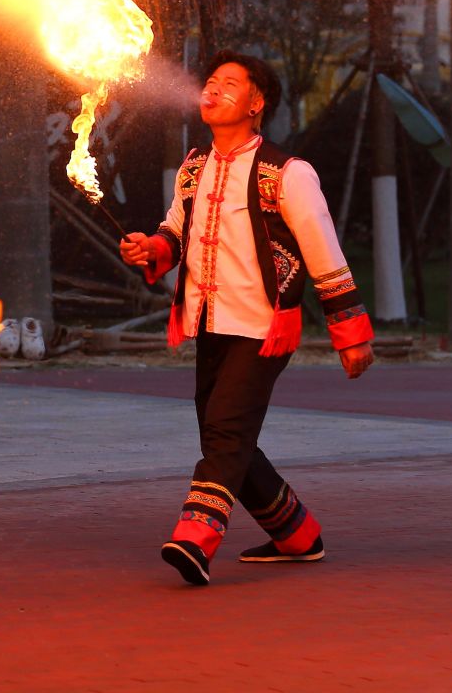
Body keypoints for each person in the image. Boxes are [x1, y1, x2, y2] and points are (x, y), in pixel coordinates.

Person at [118, 51, 375, 586]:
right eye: (210, 81)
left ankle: (196, 537)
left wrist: (350, 333)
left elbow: (324, 253)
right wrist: (152, 248)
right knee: (223, 436)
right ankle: (297, 534)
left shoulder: (289, 173)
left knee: (225, 430)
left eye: (229, 83)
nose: (213, 90)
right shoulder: (193, 167)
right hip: (208, 321)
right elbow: (176, 231)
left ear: (257, 104)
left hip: (263, 327)